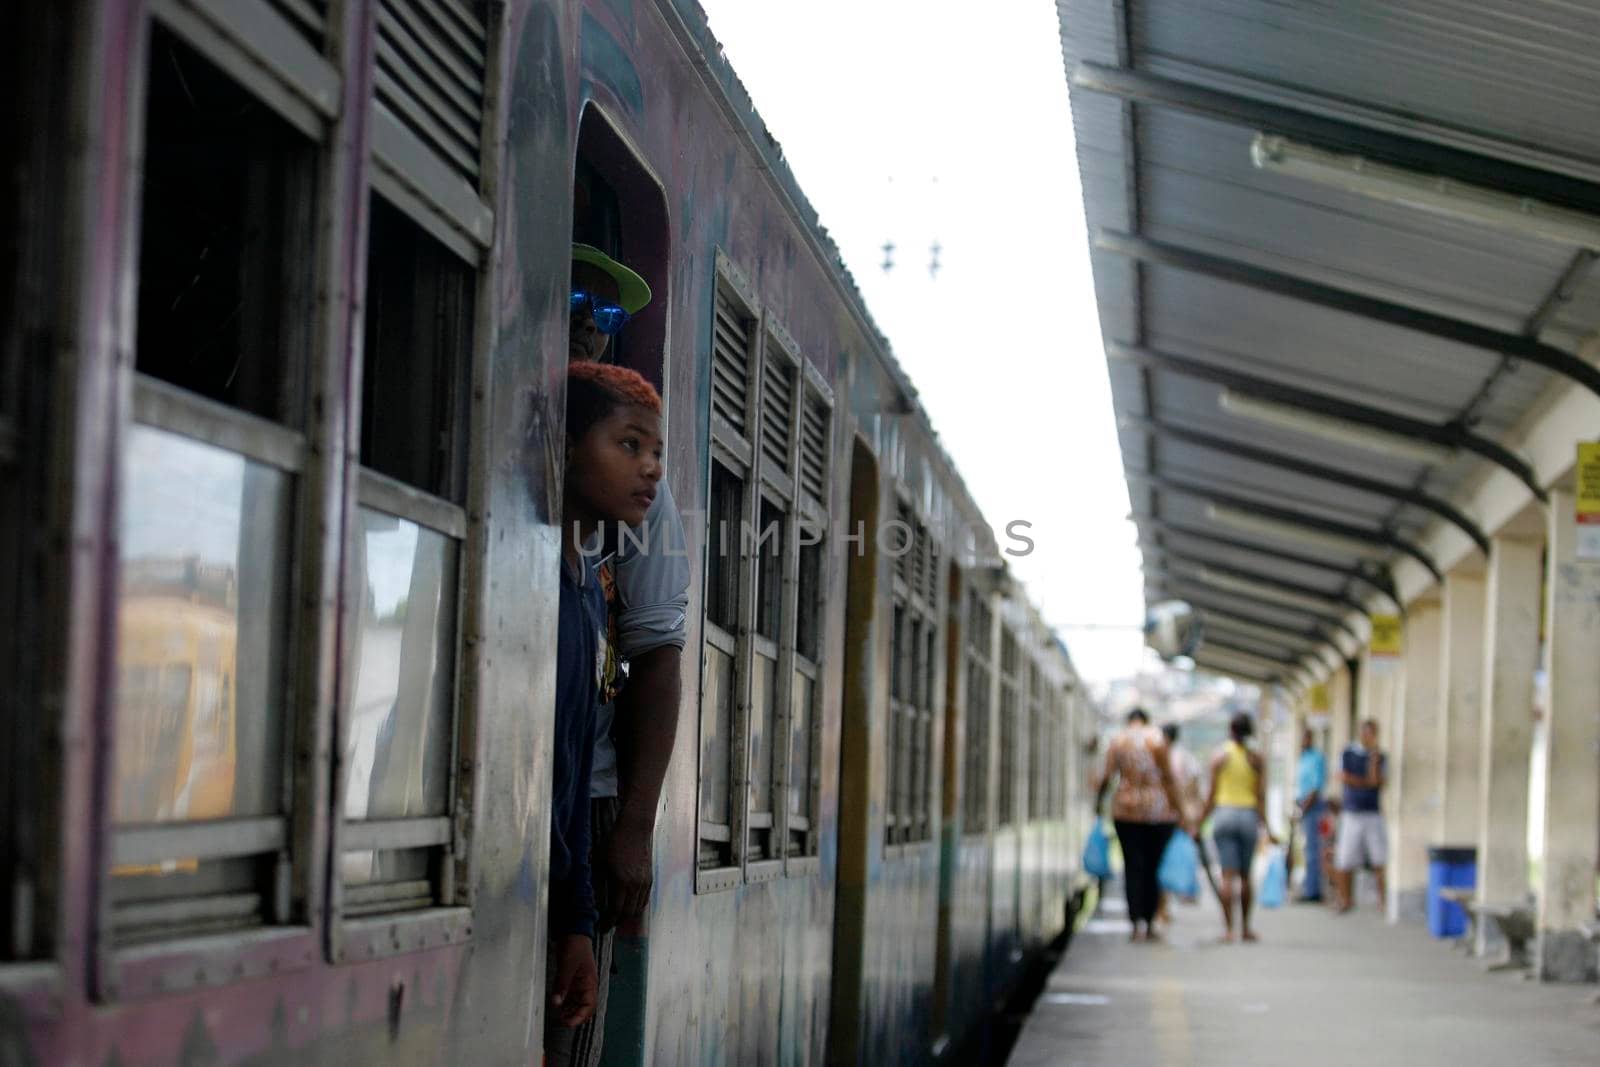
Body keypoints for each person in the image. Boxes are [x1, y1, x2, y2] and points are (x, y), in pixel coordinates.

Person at [563, 244, 689, 1066]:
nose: (593, 327)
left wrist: (635, 826)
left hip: (590, 796)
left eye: (610, 316)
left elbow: (658, 650)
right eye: (578, 298)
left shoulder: (624, 507)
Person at [546, 361, 664, 1051]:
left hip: (560, 898)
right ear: (563, 442)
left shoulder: (590, 589)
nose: (650, 469)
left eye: (655, 453)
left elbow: (570, 770)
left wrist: (578, 923)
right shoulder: (549, 586)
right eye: (628, 446)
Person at [1095, 708, 1190, 943]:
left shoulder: (1118, 740)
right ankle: (1149, 923)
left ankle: (1135, 922)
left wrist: (1098, 804)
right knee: (1152, 868)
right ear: (1147, 721)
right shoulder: (1157, 738)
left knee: (1132, 867)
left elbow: (1107, 776)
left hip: (1125, 811)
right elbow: (1168, 778)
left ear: (1129, 721)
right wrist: (1181, 811)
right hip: (1158, 813)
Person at [1200, 712, 1277, 943]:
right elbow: (1260, 796)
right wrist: (1267, 828)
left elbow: (1211, 796)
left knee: (1226, 876)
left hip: (1223, 814)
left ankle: (1228, 930)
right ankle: (1245, 929)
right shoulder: (1256, 759)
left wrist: (1199, 823)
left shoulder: (1219, 757)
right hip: (1247, 816)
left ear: (1230, 730)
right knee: (1245, 876)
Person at [1334, 719, 1388, 914]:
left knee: (1379, 858)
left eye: (1372, 734)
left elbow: (1377, 782)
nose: (1369, 737)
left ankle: (1383, 902)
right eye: (1366, 733)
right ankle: (1345, 899)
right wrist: (1366, 782)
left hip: (1372, 813)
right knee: (1344, 858)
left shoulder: (1379, 756)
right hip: (1352, 812)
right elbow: (1344, 777)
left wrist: (1372, 763)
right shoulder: (1349, 753)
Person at [1295, 727, 1327, 903]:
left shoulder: (1316, 758)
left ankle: (1313, 891)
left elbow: (1315, 788)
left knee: (1313, 850)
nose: (1303, 741)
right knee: (1307, 849)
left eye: (1306, 738)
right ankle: (1309, 887)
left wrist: (1303, 808)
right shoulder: (1303, 758)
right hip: (1304, 805)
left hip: (1312, 806)